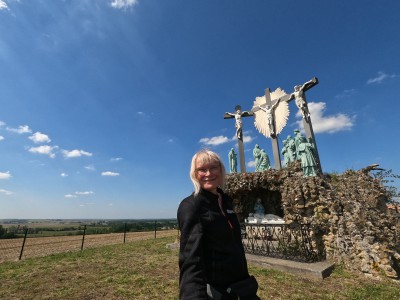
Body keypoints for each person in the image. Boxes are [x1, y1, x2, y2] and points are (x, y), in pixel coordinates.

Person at [178, 150, 260, 300]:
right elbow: (191, 260)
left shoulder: (226, 201)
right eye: (202, 169)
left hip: (242, 287)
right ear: (194, 174)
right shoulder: (192, 206)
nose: (208, 173)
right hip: (219, 292)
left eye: (213, 167)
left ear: (221, 170)